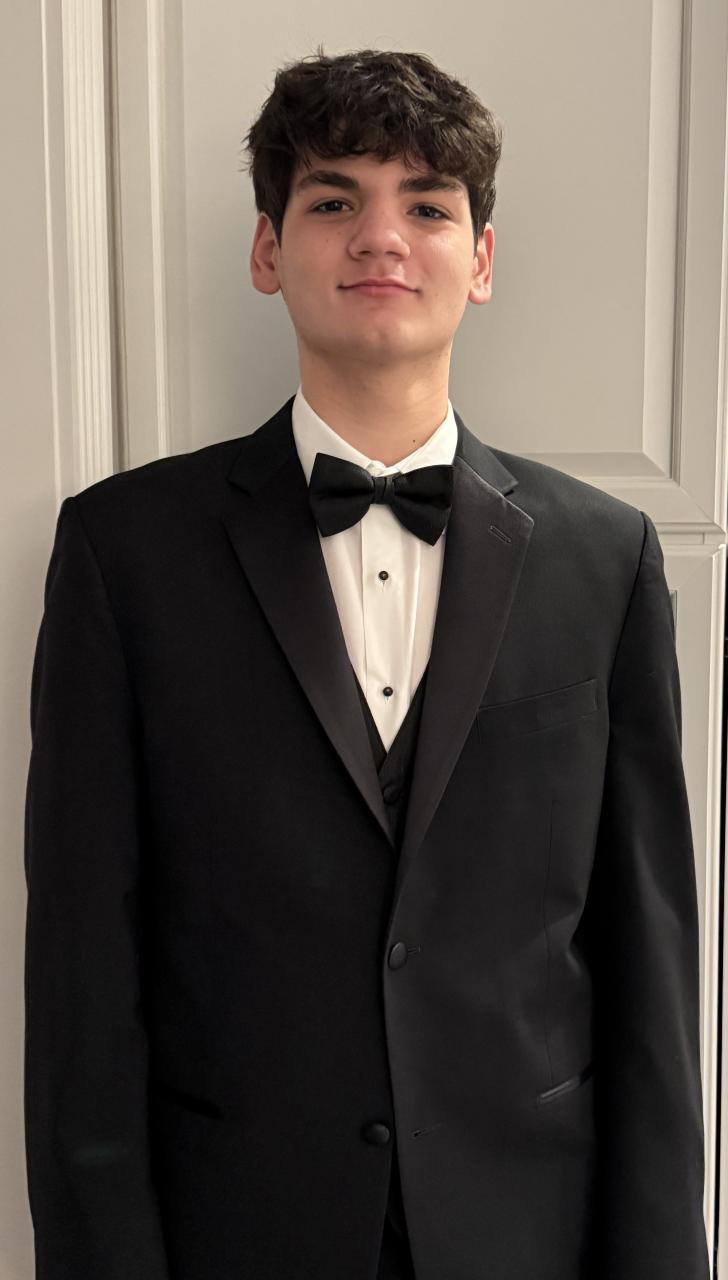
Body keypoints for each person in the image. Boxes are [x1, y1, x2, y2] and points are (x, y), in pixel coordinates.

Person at [23, 44, 710, 1280]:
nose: (379, 236)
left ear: (480, 260)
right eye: (333, 199)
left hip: (525, 1235)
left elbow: (645, 963)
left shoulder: (602, 559)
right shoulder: (126, 553)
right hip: (233, 1233)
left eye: (426, 206)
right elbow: (83, 970)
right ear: (267, 249)